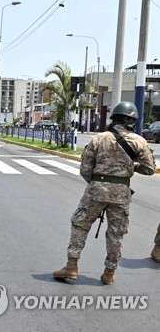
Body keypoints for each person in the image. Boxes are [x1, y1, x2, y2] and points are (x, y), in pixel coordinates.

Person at [53, 102, 156, 285]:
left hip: (96, 189)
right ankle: (109, 273)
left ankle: (71, 266)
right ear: (132, 120)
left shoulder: (98, 138)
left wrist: (96, 184)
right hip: (121, 193)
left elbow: (85, 169)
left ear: (114, 118)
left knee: (80, 225)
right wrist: (131, 166)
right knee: (116, 234)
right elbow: (149, 169)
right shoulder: (139, 141)